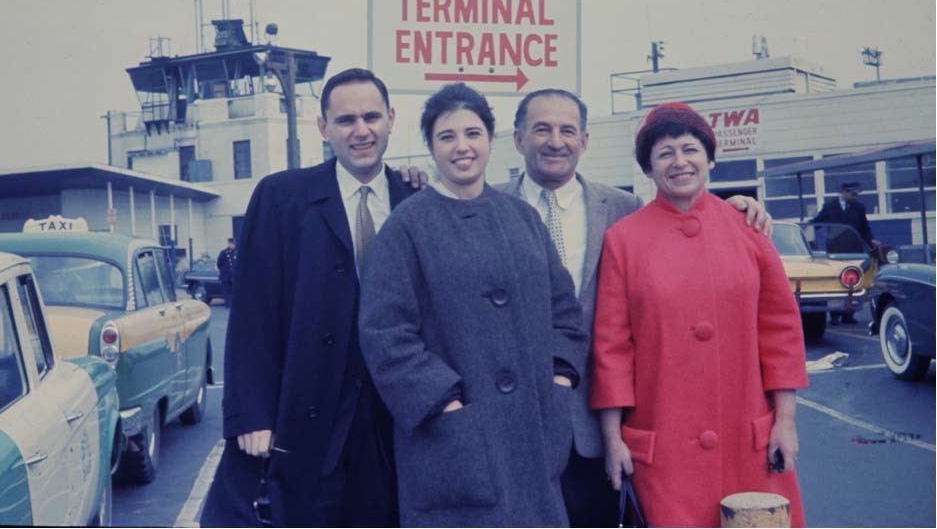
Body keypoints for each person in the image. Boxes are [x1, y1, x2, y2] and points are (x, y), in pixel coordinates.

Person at [495, 89, 773, 527]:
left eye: (568, 130)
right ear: (517, 139)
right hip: (515, 417)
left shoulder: (623, 209)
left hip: (597, 422)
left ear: (585, 141)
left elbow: (684, 220)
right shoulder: (485, 208)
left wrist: (737, 208)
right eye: (541, 129)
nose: (555, 141)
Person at [359, 83, 588, 527]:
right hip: (453, 444)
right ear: (430, 146)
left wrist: (560, 377)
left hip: (533, 433)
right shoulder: (406, 226)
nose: (462, 147)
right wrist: (444, 402)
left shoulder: (522, 218)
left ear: (491, 140)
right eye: (447, 137)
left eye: (473, 133)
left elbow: (565, 311)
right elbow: (384, 332)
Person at [200, 68, 414, 527]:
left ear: (392, 119)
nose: (361, 131)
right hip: (309, 413)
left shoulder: (415, 198)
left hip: (390, 422)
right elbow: (252, 314)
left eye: (372, 117)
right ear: (324, 128)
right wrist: (249, 414)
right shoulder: (281, 198)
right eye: (346, 120)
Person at [590, 102, 809, 528]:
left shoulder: (750, 230)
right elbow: (612, 348)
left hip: (750, 442)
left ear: (710, 157)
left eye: (689, 149)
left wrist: (786, 421)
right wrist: (612, 437)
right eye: (664, 153)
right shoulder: (623, 241)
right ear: (648, 169)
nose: (679, 162)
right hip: (664, 451)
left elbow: (780, 332)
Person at [812, 181, 879, 324]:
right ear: (844, 192)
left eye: (856, 194)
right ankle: (835, 314)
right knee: (837, 282)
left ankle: (849, 314)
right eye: (853, 194)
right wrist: (807, 231)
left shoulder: (859, 208)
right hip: (836, 250)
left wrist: (871, 240)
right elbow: (817, 222)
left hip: (853, 249)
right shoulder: (830, 207)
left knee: (853, 282)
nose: (855, 197)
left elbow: (865, 228)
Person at [216, 237, 237, 309]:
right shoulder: (224, 252)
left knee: (234, 291)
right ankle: (227, 304)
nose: (234, 245)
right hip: (226, 276)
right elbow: (219, 263)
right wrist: (224, 271)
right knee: (226, 291)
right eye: (232, 244)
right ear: (229, 244)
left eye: (234, 244)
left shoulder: (237, 252)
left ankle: (234, 305)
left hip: (234, 276)